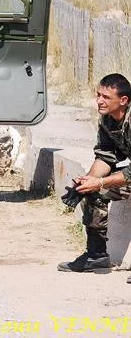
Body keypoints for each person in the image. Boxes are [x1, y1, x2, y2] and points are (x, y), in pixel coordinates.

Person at [58, 73, 131, 278]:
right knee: (92, 191)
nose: (99, 101)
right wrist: (88, 181)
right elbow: (106, 157)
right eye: (98, 95)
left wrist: (100, 181)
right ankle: (96, 256)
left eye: (106, 97)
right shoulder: (108, 118)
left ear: (123, 100)